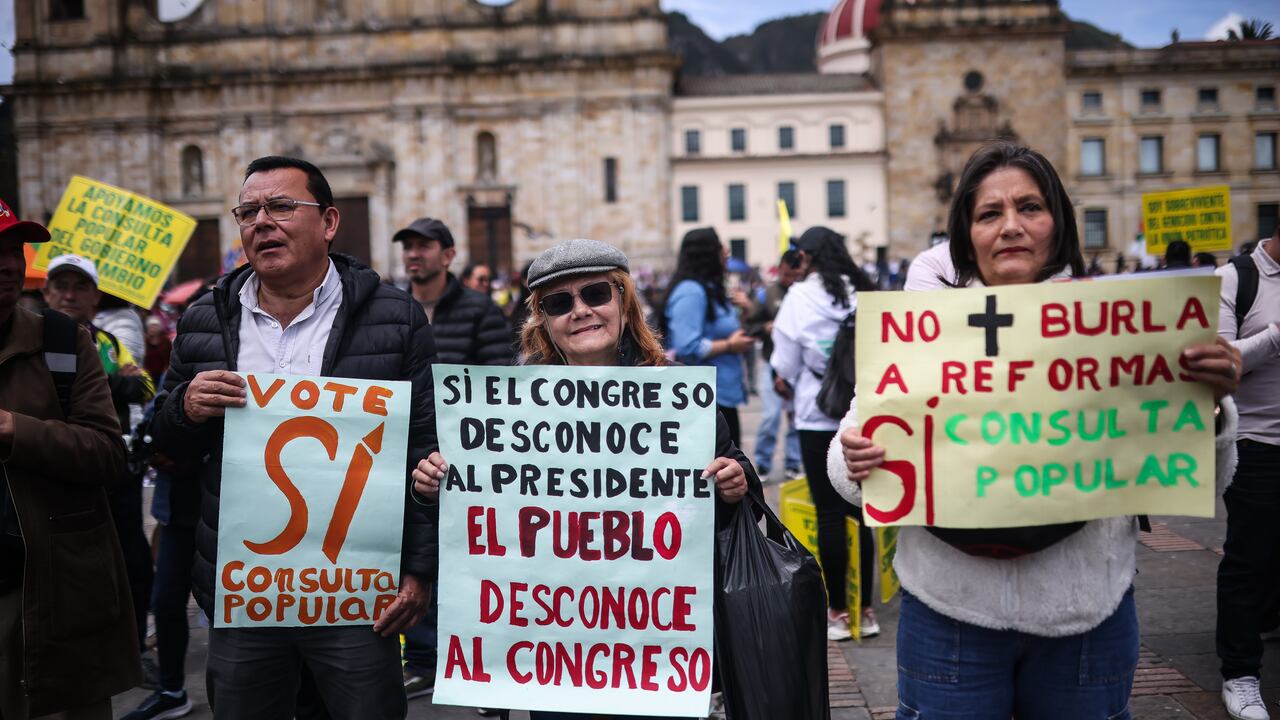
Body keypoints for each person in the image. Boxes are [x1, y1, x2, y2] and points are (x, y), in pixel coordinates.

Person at [829, 142, 1243, 719]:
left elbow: (1207, 479)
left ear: (1059, 223)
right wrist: (854, 457)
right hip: (950, 616)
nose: (1011, 227)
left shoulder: (1127, 326)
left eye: (1030, 207)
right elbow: (849, 475)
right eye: (989, 214)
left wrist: (1215, 408)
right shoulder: (922, 331)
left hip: (1085, 618)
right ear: (965, 234)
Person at [412, 238, 758, 720]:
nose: (580, 311)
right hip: (553, 648)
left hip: (653, 644)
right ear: (544, 320)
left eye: (595, 294)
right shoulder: (507, 406)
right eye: (559, 303)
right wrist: (433, 487)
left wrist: (733, 482)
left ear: (622, 300)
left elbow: (734, 481)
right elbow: (475, 513)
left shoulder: (676, 393)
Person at [147, 156, 438, 720]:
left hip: (357, 595)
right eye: (248, 211)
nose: (262, 222)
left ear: (329, 222)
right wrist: (184, 408)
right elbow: (167, 448)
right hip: (244, 596)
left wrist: (419, 571)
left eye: (281, 207)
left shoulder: (395, 316)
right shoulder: (207, 317)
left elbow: (422, 448)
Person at [0, 198, 140, 718]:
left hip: (55, 597)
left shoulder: (70, 343)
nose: (9, 262)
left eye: (15, 249)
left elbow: (108, 454)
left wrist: (19, 431)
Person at [393, 216, 513, 700]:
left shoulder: (480, 309)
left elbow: (497, 380)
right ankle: (423, 658)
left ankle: (478, 663)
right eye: (408, 247)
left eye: (424, 247)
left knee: (470, 561)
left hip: (466, 456)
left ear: (448, 255)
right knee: (416, 555)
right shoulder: (393, 309)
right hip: (406, 453)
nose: (413, 255)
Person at [40, 253, 157, 667]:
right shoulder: (30, 337)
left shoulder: (108, 343)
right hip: (52, 475)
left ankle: (135, 645)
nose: (70, 295)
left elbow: (143, 385)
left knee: (133, 562)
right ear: (46, 292)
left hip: (114, 469)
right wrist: (111, 384)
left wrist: (116, 383)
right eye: (61, 286)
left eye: (80, 287)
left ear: (95, 297)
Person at [770, 226, 879, 641]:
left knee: (829, 512)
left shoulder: (799, 297)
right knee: (863, 511)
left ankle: (836, 612)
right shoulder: (864, 291)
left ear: (807, 258)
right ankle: (867, 611)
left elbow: (785, 363)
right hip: (862, 410)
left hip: (816, 412)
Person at [1215, 224, 1280, 720]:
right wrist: (1277, 337)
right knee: (1249, 560)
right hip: (1255, 444)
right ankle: (1240, 674)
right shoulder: (1236, 280)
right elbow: (1220, 368)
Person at [661, 228, 754, 446]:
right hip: (707, 398)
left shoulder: (708, 288)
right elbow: (687, 345)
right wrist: (730, 345)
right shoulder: (691, 292)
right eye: (719, 246)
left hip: (721, 393)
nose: (726, 251)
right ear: (707, 254)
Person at [741, 249, 804, 480]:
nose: (791, 280)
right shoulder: (768, 294)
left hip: (800, 366)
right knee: (771, 416)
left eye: (796, 275)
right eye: (787, 275)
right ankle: (764, 463)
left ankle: (793, 462)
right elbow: (749, 325)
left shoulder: (805, 294)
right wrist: (765, 327)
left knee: (797, 419)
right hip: (772, 362)